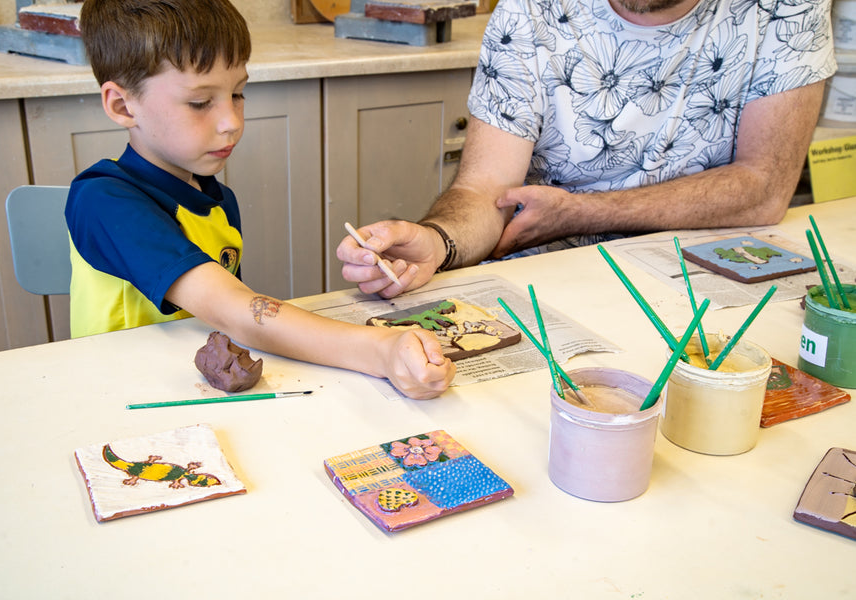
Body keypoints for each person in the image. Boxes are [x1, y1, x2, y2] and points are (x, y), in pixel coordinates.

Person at [65, 0, 455, 399]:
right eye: (200, 102)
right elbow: (237, 310)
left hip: (191, 388)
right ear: (121, 105)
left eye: (237, 94)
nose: (231, 121)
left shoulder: (215, 197)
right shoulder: (103, 201)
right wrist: (380, 350)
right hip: (119, 399)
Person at [337, 0, 837, 298]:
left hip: (712, 275)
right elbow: (486, 188)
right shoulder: (534, 9)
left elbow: (764, 186)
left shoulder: (785, 9)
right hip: (553, 283)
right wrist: (439, 242)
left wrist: (582, 213)